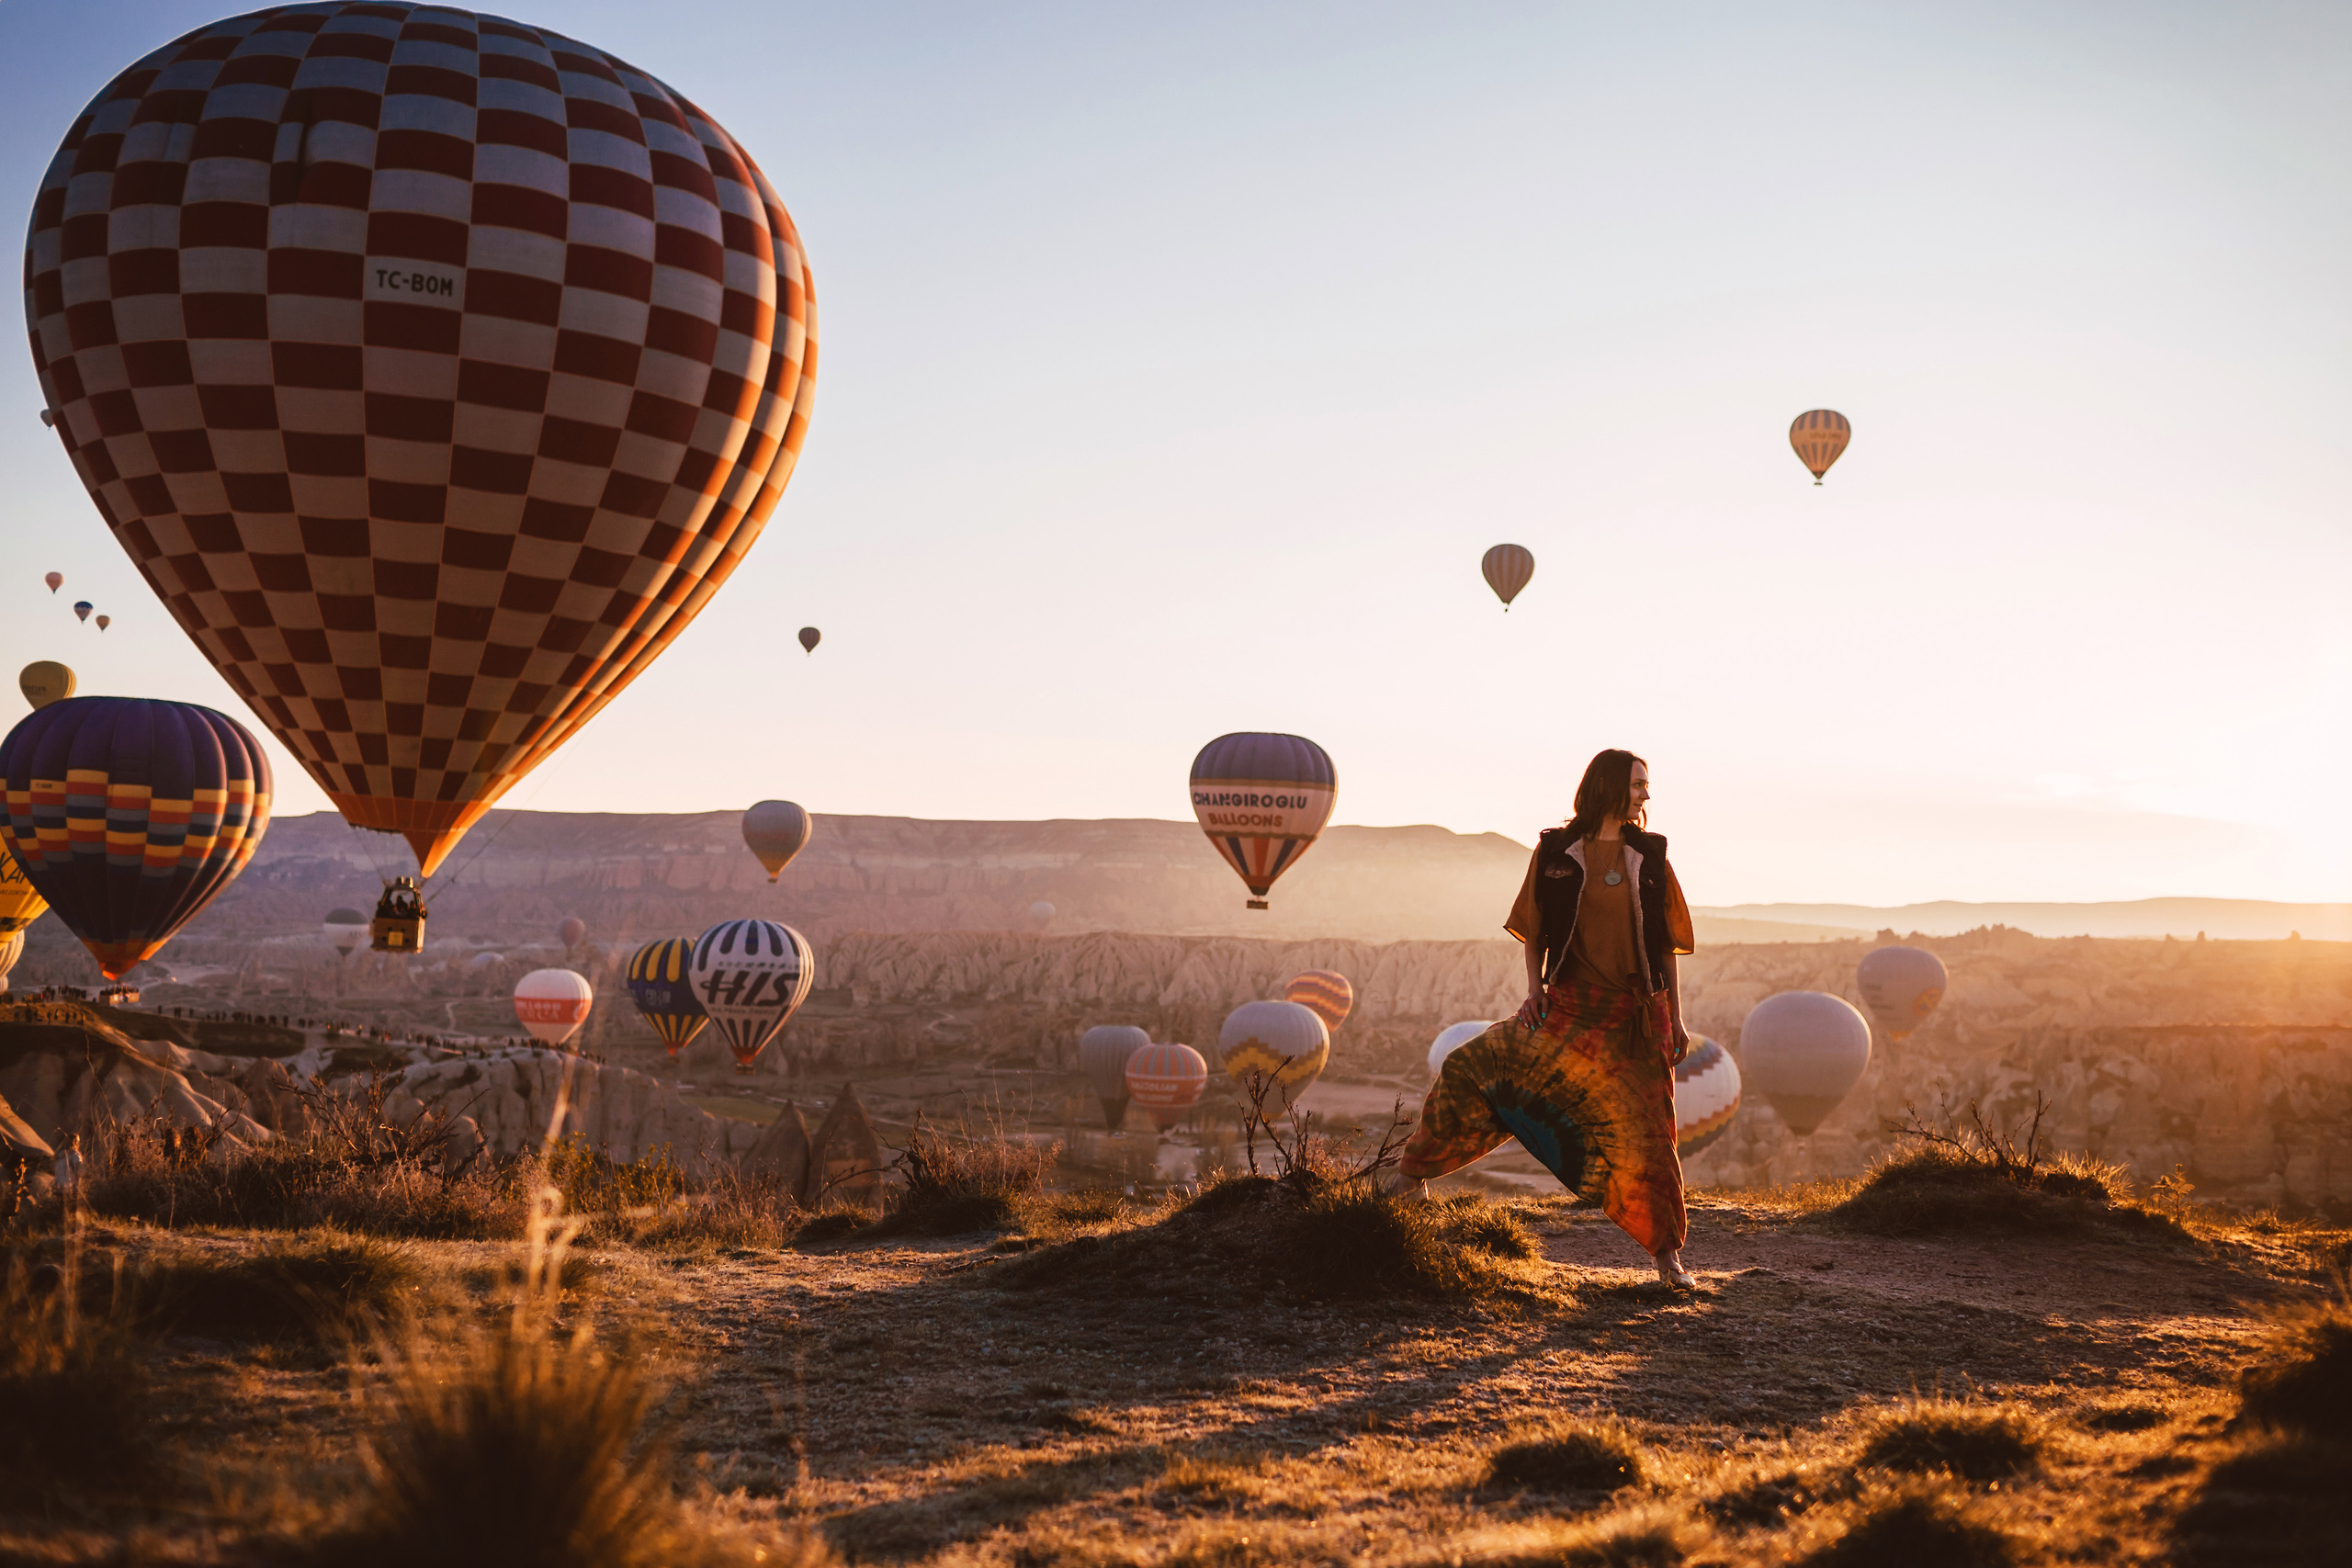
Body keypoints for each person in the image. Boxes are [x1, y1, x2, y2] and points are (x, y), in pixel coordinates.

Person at [1393, 750, 1699, 1289]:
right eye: (1637, 785)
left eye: (1647, 786)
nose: (1646, 795)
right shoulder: (1556, 851)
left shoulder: (1651, 856)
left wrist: (1673, 1016)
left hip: (1634, 1016)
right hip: (1569, 1007)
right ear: (1607, 785)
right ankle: (1410, 1176)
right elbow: (1534, 929)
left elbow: (1668, 946)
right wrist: (1533, 991)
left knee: (1650, 1138)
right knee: (1472, 1063)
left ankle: (1667, 1258)